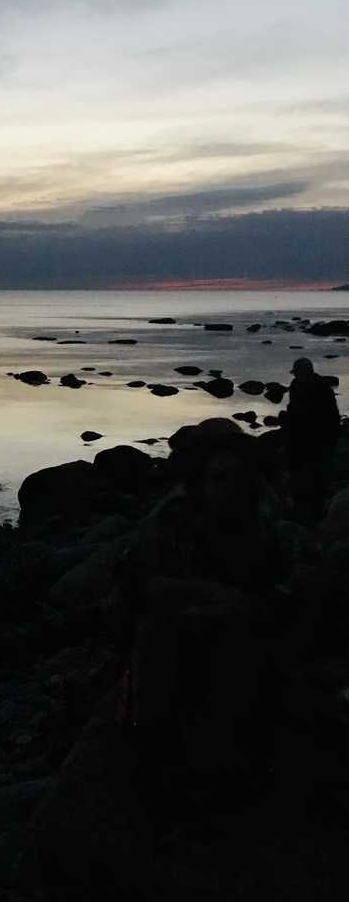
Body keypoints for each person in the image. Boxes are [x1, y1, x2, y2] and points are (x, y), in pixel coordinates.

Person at [114, 419, 294, 843]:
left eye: (239, 478)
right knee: (163, 640)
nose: (228, 488)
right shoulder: (169, 523)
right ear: (201, 480)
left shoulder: (267, 531)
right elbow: (133, 585)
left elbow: (285, 595)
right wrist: (203, 591)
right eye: (219, 478)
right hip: (176, 645)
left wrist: (245, 606)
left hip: (239, 648)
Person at [283, 357, 341, 527]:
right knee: (298, 480)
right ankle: (300, 514)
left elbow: (332, 419)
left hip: (317, 443)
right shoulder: (296, 387)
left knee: (317, 481)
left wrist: (330, 444)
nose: (297, 376)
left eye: (298, 372)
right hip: (298, 443)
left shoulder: (322, 390)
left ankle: (316, 517)